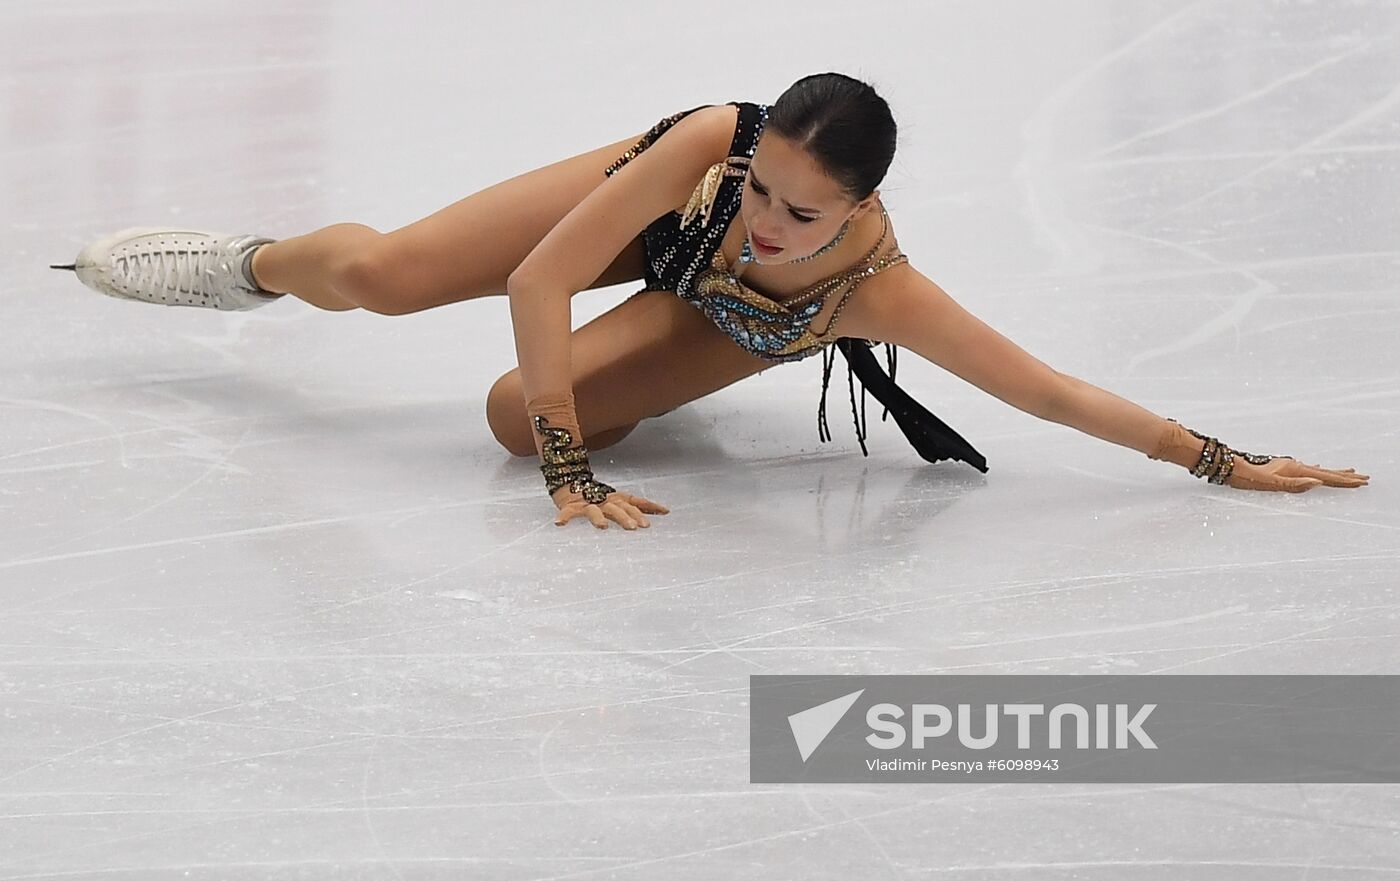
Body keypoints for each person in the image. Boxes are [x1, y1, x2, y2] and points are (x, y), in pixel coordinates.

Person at [51, 72, 1369, 531]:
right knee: (387, 281)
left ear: (856, 214)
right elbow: (543, 275)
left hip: (720, 323)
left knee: (514, 413)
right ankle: (258, 260)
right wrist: (578, 468)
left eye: (804, 212)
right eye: (765, 188)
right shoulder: (711, 148)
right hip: (630, 235)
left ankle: (659, 383)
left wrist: (1212, 458)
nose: (768, 220)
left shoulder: (875, 288)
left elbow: (1044, 389)